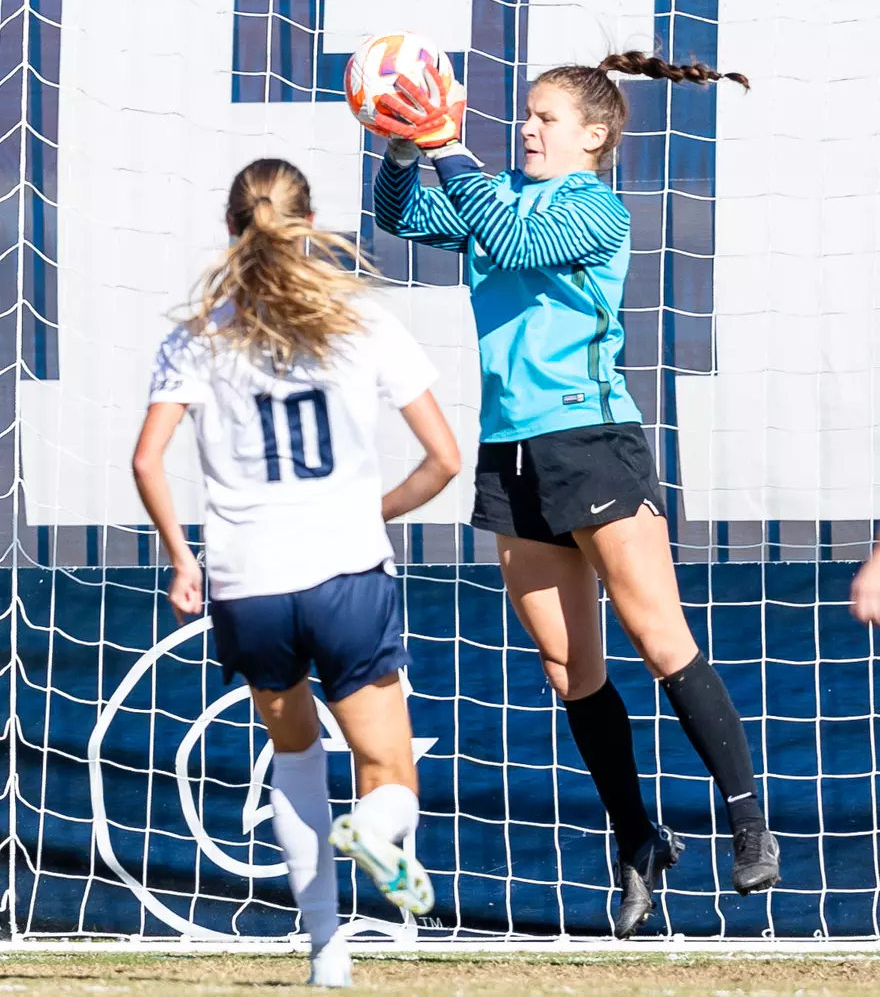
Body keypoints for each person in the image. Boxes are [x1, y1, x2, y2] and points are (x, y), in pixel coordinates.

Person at [369, 51, 780, 938]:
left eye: (543, 117)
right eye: (522, 115)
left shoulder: (592, 207)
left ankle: (749, 821)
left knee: (659, 638)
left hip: (592, 442)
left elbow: (512, 241)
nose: (525, 127)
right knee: (568, 669)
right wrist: (402, 148)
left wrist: (445, 142)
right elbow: (401, 219)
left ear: (593, 135)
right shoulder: (499, 195)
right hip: (511, 453)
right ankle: (638, 841)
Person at [132, 158, 460, 986]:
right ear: (310, 223)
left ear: (231, 228)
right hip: (346, 573)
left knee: (296, 756)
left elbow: (146, 460)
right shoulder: (358, 319)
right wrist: (369, 510)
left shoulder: (200, 333)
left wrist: (181, 559)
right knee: (385, 769)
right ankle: (378, 831)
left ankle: (327, 955)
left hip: (249, 584)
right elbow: (445, 460)